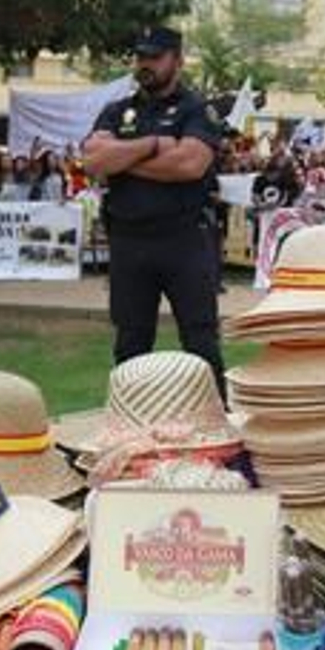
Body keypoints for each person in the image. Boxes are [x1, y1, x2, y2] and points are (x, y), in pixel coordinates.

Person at [85, 26, 225, 384]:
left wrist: (124, 158)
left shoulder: (197, 109)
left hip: (184, 239)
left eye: (154, 57)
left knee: (200, 341)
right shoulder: (117, 111)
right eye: (140, 56)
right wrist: (153, 146)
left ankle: (217, 425)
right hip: (130, 240)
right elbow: (94, 162)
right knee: (130, 343)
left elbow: (189, 165)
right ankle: (129, 427)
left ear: (177, 61)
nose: (144, 64)